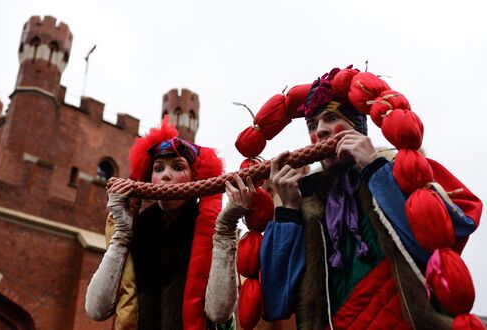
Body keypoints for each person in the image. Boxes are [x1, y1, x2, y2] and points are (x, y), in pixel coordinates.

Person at [216, 66, 483, 329]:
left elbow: (446, 238)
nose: (320, 131)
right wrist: (289, 211)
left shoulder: (401, 172)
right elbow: (277, 302)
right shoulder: (308, 201)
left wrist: (375, 168)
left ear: (358, 127)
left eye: (331, 119)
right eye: (313, 124)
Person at [85, 118, 252, 330]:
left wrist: (226, 228)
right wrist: (121, 234)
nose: (165, 175)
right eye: (158, 168)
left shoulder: (213, 227)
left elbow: (219, 312)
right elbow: (96, 309)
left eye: (178, 167)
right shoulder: (140, 226)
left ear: (194, 180)